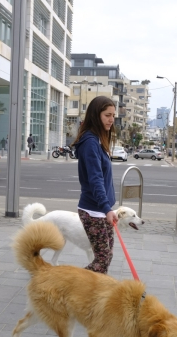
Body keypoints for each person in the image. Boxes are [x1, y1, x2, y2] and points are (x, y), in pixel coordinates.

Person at [72, 96, 118, 274]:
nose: (111, 120)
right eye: (107, 115)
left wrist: (108, 208)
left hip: (102, 208)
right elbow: (95, 179)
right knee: (102, 259)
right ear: (95, 115)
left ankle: (96, 293)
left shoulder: (98, 139)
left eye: (113, 115)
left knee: (106, 257)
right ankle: (71, 284)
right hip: (93, 210)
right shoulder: (90, 142)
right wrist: (107, 209)